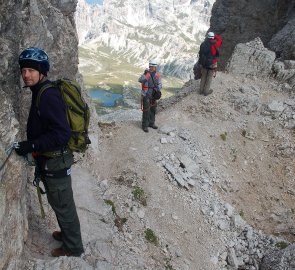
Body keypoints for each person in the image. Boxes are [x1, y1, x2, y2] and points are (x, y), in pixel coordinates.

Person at [15, 47, 84, 257]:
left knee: (63, 205)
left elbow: (62, 133)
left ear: (41, 72)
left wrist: (33, 145)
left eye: (31, 70)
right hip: (52, 160)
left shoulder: (48, 96)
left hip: (56, 161)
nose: (26, 74)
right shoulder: (41, 91)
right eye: (24, 70)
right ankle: (66, 234)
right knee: (59, 202)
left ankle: (73, 248)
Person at [138, 60, 162, 132]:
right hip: (146, 95)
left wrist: (157, 89)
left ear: (155, 67)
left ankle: (151, 123)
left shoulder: (157, 75)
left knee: (153, 110)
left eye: (153, 67)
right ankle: (145, 125)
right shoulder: (146, 74)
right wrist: (146, 76)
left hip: (153, 95)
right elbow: (140, 80)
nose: (151, 68)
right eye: (151, 66)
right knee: (146, 110)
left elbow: (160, 84)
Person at [198, 31, 222, 96]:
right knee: (209, 77)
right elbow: (220, 40)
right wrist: (215, 35)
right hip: (212, 63)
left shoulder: (202, 44)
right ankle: (206, 91)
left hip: (204, 63)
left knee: (203, 76)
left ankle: (200, 90)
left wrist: (200, 62)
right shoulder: (215, 44)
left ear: (207, 37)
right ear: (212, 38)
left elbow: (200, 54)